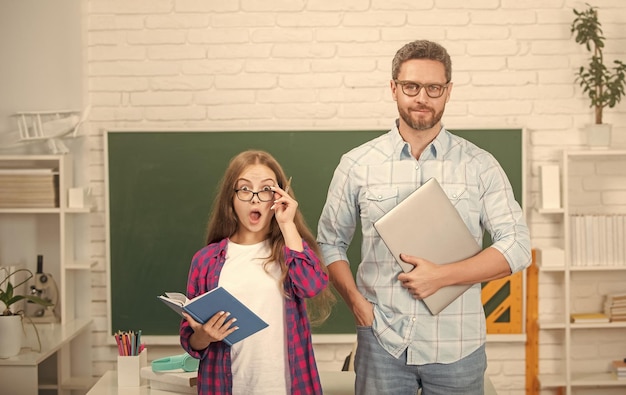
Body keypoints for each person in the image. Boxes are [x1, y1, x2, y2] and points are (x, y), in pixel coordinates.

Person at [316, 40, 531, 395]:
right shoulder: (356, 164)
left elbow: (518, 246)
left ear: (447, 91)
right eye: (411, 86)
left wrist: (442, 277)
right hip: (381, 341)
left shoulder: (480, 165)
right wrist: (356, 302)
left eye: (433, 88)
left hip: (458, 345)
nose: (422, 97)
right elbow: (329, 242)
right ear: (393, 88)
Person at [180, 149, 335, 395]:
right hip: (225, 386)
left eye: (265, 189)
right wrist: (204, 336)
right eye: (244, 189)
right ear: (230, 198)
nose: (255, 198)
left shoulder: (289, 250)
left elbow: (312, 285)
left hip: (286, 387)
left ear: (278, 196)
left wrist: (287, 225)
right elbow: (190, 340)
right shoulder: (207, 260)